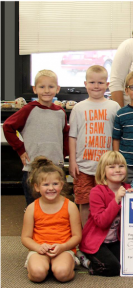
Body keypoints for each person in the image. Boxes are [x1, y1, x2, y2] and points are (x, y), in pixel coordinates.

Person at [3, 70, 69, 206]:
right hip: (33, 168)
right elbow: (8, 127)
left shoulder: (61, 113)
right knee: (34, 205)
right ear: (35, 89)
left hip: (55, 168)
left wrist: (64, 154)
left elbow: (65, 134)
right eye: (42, 87)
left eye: (51, 87)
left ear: (57, 89)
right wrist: (20, 150)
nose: (46, 90)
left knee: (56, 204)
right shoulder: (28, 109)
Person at [69, 65, 121, 226]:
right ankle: (84, 239)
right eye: (92, 82)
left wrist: (116, 160)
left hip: (106, 167)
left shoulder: (114, 107)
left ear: (107, 85)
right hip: (83, 166)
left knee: (106, 202)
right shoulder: (78, 108)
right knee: (84, 203)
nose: (96, 86)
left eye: (100, 82)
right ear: (85, 84)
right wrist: (72, 161)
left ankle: (104, 239)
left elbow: (116, 136)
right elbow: (73, 136)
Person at [21, 157, 81, 283]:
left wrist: (63, 246)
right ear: (37, 187)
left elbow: (77, 236)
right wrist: (38, 248)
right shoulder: (32, 208)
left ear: (62, 184)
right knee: (38, 274)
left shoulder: (70, 206)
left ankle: (65, 264)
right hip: (39, 249)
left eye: (55, 184)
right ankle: (39, 266)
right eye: (46, 184)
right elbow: (25, 238)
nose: (51, 188)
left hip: (64, 249)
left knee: (62, 274)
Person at [79, 151, 132, 276]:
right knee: (112, 268)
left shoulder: (129, 188)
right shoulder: (96, 192)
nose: (117, 170)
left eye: (121, 166)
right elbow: (102, 222)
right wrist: (116, 200)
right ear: (103, 171)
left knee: (129, 264)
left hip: (115, 240)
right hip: (96, 241)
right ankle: (85, 260)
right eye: (112, 167)